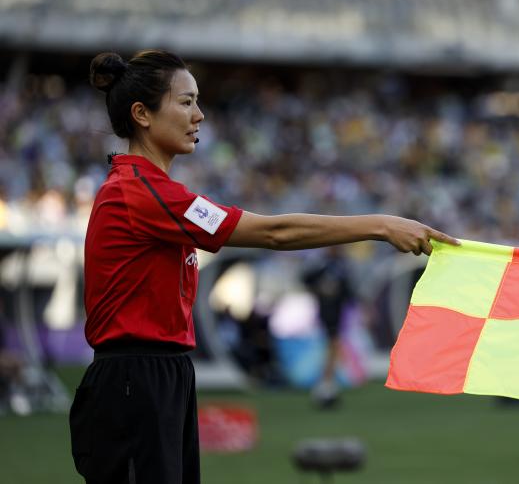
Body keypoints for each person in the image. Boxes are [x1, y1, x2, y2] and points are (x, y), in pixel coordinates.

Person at [69, 49, 459, 484]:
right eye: (185, 102)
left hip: (163, 375)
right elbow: (276, 233)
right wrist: (381, 225)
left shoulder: (156, 192)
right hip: (134, 380)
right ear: (142, 113)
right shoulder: (139, 192)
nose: (199, 115)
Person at [303, 246, 354, 408]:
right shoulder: (322, 264)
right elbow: (306, 279)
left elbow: (348, 289)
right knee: (330, 347)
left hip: (338, 312)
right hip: (326, 312)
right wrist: (320, 290)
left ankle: (327, 383)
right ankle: (325, 384)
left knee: (333, 347)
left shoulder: (341, 265)